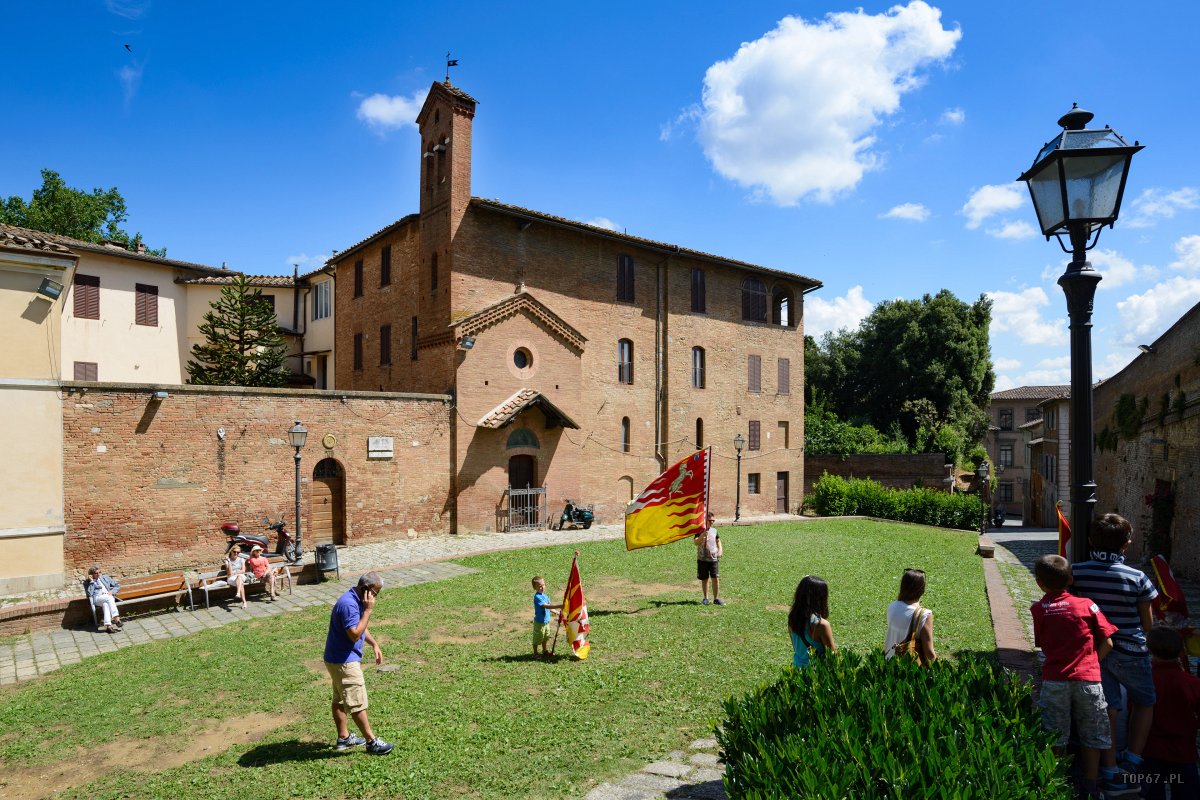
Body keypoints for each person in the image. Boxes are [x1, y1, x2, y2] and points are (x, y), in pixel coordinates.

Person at [1071, 513, 1158, 794]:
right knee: (1145, 701)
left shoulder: (1078, 572)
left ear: (1090, 540)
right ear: (1127, 544)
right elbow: (1147, 623)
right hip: (1132, 650)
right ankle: (1132, 758)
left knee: (1108, 707)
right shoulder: (1138, 577)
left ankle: (1109, 766)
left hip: (1097, 651)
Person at [1030, 554, 1117, 799]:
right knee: (1093, 734)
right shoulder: (1088, 605)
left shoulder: (1038, 609)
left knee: (1056, 734)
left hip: (1055, 680)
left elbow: (1041, 643)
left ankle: (1055, 782)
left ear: (1039, 583)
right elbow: (1108, 641)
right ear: (1070, 578)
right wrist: (1092, 662)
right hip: (1088, 679)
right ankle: (1091, 785)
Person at [324, 571, 394, 755]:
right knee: (356, 701)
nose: (375, 597)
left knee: (339, 699)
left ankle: (344, 738)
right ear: (365, 589)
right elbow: (355, 634)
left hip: (335, 659)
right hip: (344, 662)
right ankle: (372, 742)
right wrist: (369, 610)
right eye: (376, 593)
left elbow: (359, 626)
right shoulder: (348, 604)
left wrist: (374, 643)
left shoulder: (355, 599)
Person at [1141, 625, 1200, 800]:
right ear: (1182, 650)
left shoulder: (1144, 681)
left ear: (1149, 650)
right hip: (1184, 752)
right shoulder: (1192, 683)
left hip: (1150, 752)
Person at [883, 568, 936, 664]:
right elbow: (929, 653)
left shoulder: (892, 606)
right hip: (908, 667)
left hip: (888, 661)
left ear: (902, 586)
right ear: (922, 589)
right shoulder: (924, 615)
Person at [788, 575, 836, 668]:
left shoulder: (793, 619)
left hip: (796, 673)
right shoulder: (821, 625)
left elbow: (797, 649)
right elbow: (832, 656)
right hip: (815, 676)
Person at [694, 511, 724, 606]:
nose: (712, 522)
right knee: (705, 579)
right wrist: (702, 535)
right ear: (705, 520)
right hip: (702, 559)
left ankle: (716, 598)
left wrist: (720, 550)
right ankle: (706, 598)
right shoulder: (699, 530)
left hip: (713, 559)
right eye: (710, 520)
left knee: (715, 578)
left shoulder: (714, 531)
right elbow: (696, 542)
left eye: (713, 521)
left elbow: (718, 541)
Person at [531, 576, 562, 658]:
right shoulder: (537, 597)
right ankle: (535, 653)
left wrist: (556, 612)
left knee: (546, 637)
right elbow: (546, 606)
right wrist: (560, 605)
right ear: (535, 587)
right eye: (539, 586)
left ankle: (544, 651)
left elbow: (549, 608)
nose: (542, 587)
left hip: (546, 622)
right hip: (539, 622)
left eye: (543, 585)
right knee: (538, 638)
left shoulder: (545, 596)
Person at [85, 565, 123, 633]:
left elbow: (117, 585)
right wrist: (91, 582)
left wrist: (112, 591)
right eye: (96, 573)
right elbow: (89, 593)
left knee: (106, 604)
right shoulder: (87, 582)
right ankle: (116, 618)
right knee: (109, 598)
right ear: (91, 574)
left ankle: (109, 626)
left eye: (99, 572)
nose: (98, 574)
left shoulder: (105, 577)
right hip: (97, 598)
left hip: (107, 597)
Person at [224, 544, 247, 609]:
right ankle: (244, 602)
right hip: (231, 578)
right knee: (241, 584)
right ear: (231, 551)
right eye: (234, 552)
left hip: (241, 576)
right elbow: (230, 573)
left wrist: (236, 572)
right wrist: (229, 562)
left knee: (239, 577)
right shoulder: (227, 561)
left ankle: (238, 593)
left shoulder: (241, 559)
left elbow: (243, 570)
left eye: (238, 552)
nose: (236, 553)